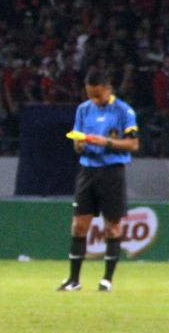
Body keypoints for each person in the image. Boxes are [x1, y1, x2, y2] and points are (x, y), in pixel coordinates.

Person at [58, 68, 139, 292]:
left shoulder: (124, 111)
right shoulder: (83, 110)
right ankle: (73, 280)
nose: (93, 99)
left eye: (97, 94)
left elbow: (133, 144)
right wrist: (80, 144)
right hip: (87, 171)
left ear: (108, 89)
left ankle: (107, 280)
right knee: (78, 225)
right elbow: (76, 140)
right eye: (89, 94)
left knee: (112, 228)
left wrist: (107, 143)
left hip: (112, 171)